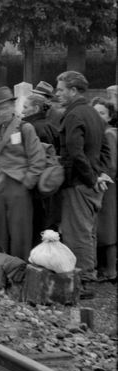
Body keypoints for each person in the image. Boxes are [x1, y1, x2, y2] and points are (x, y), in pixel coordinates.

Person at [56, 71, 112, 294]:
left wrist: (91, 178)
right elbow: (105, 149)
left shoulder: (73, 115)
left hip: (79, 183)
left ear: (73, 90)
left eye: (60, 89)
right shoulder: (93, 114)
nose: (57, 93)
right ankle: (89, 275)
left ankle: (84, 281)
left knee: (77, 232)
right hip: (91, 182)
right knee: (88, 231)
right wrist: (100, 174)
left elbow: (74, 152)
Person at [0, 87, 46, 260]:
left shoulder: (25, 128)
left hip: (18, 186)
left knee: (20, 231)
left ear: (13, 106)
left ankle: (19, 269)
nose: (3, 111)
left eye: (6, 107)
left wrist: (27, 182)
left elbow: (37, 158)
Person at [22, 92, 61, 236]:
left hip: (37, 187)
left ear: (36, 108)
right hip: (49, 185)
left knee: (36, 228)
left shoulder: (31, 128)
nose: (22, 111)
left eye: (25, 107)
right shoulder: (49, 126)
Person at [91, 98, 116, 282]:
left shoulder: (108, 135)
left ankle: (109, 270)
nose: (98, 117)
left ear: (109, 117)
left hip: (106, 186)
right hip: (102, 184)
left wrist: (101, 177)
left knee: (107, 229)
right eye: (95, 112)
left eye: (102, 113)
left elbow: (111, 164)